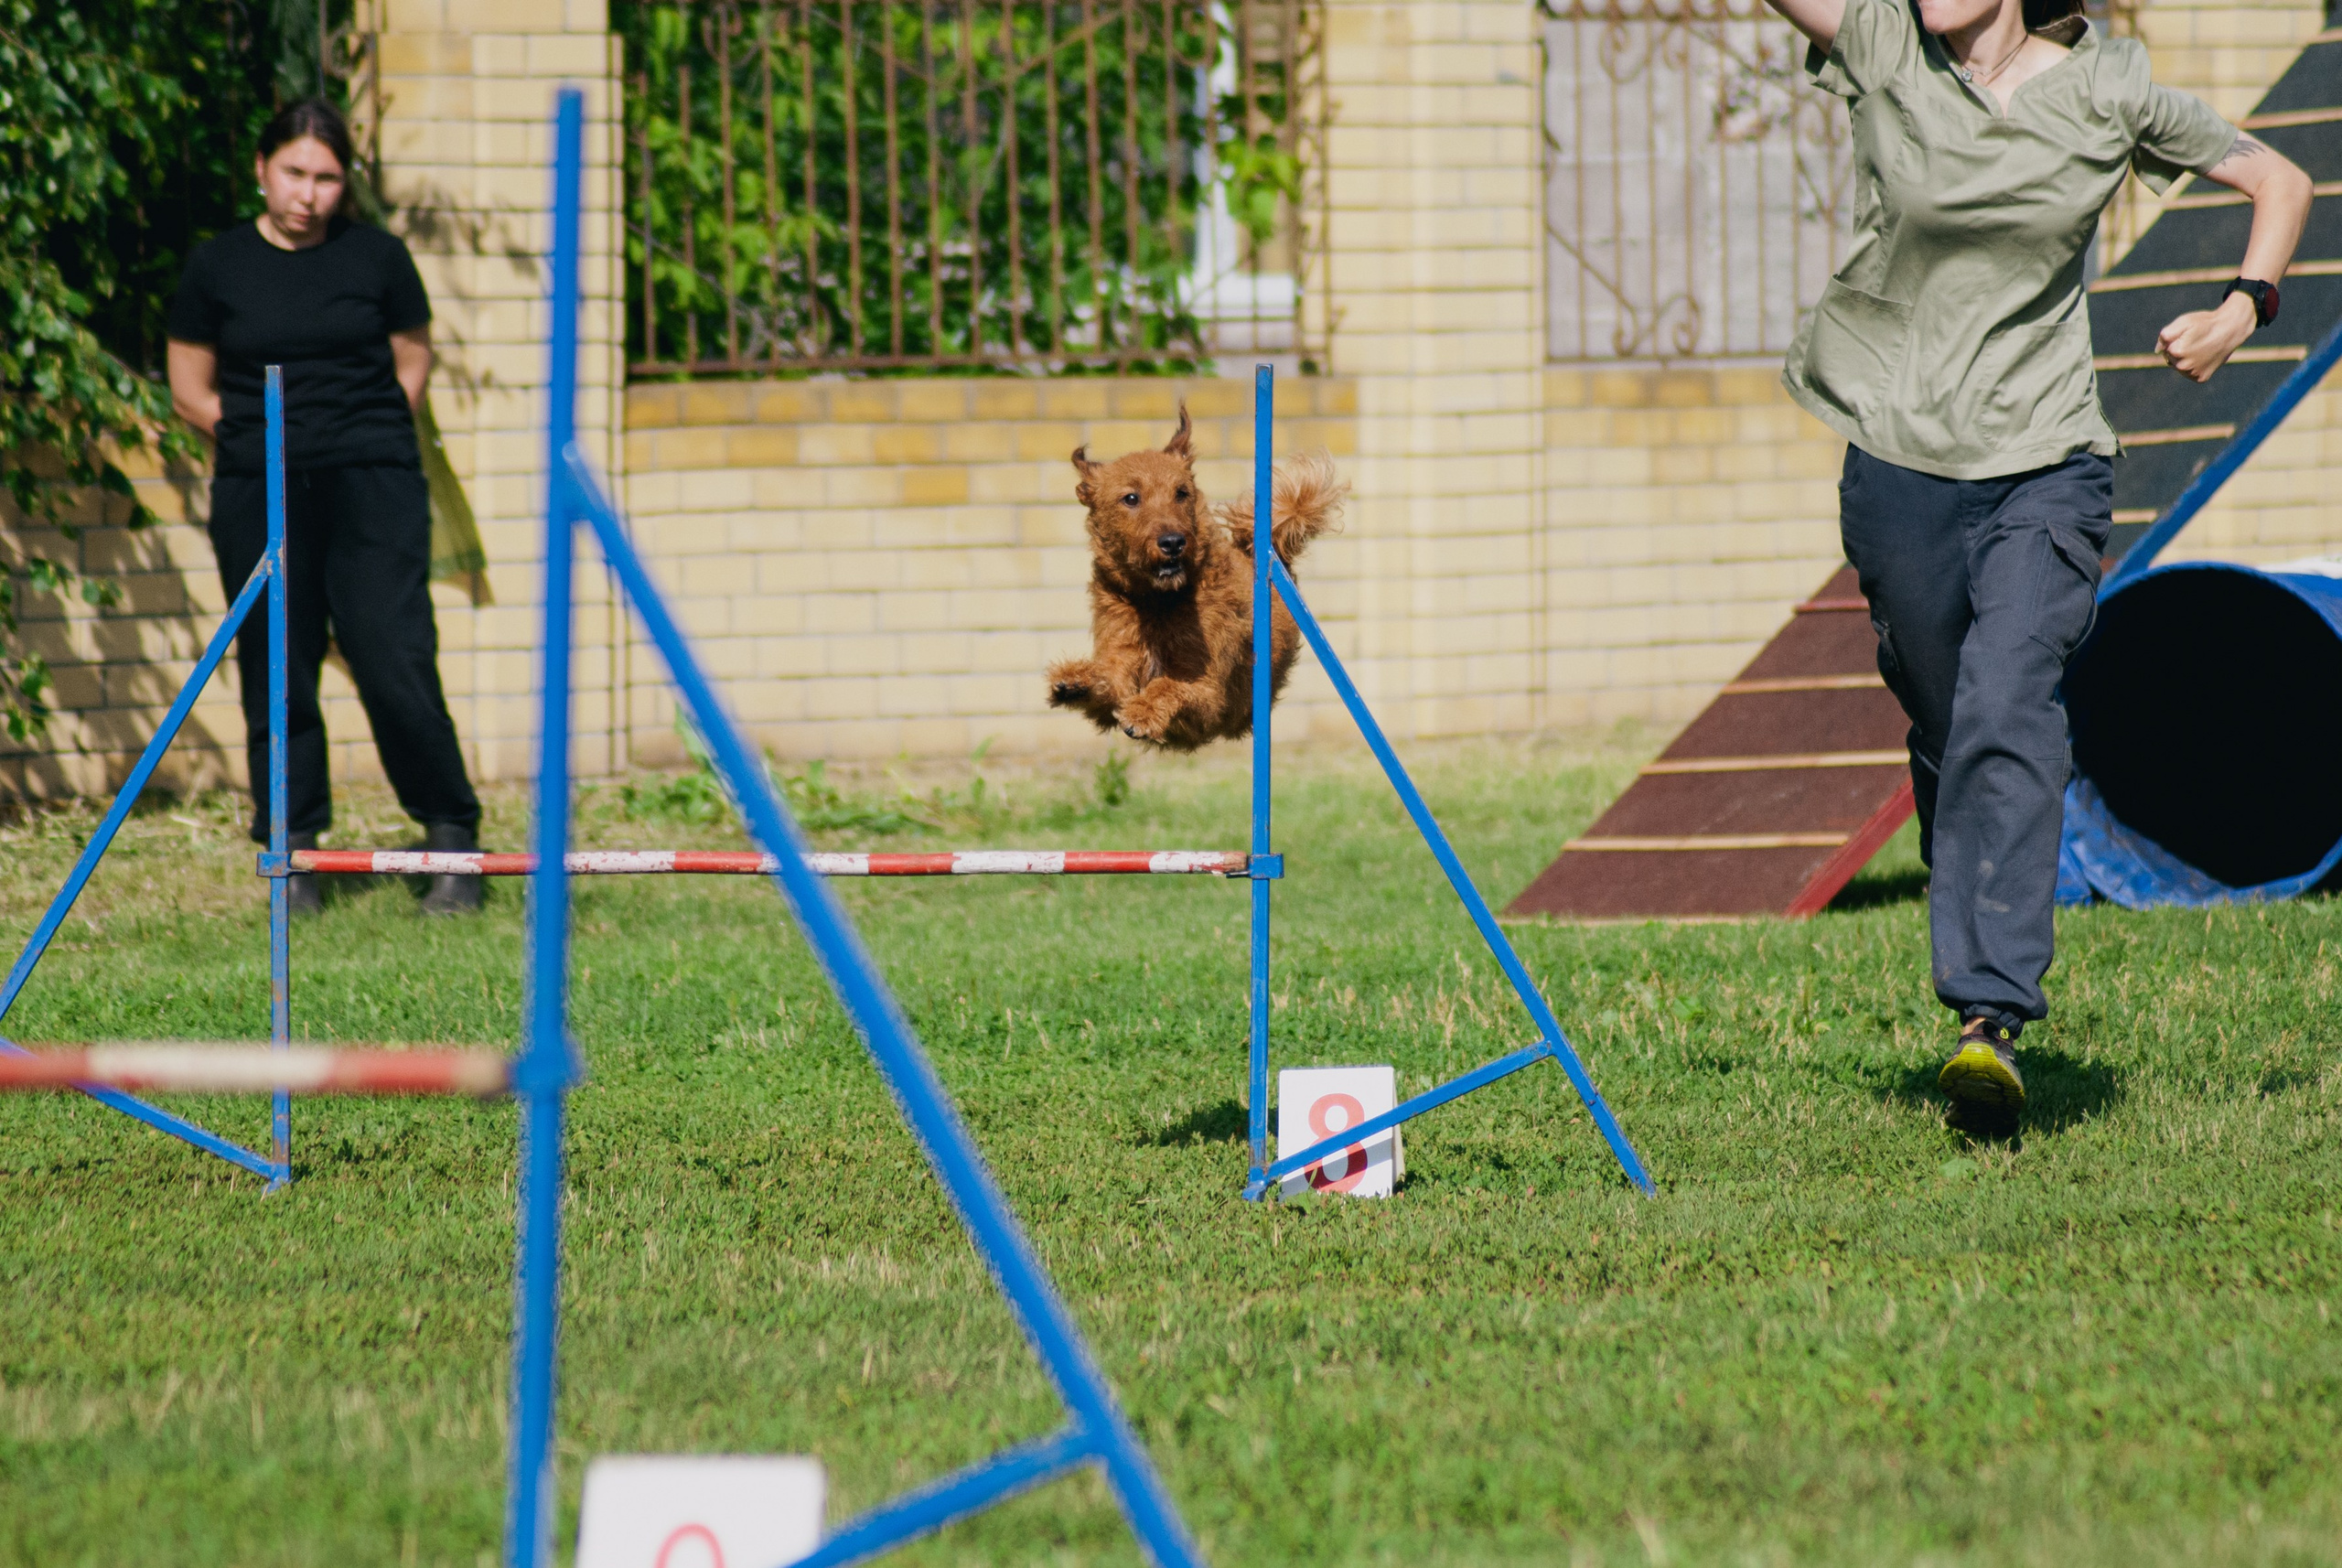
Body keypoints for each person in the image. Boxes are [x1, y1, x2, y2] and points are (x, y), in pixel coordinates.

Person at [1764, 0, 2311, 1120]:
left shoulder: (2108, 87)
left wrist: (2240, 306)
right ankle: (1976, 885)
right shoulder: (1880, 45)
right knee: (1945, 715)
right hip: (1899, 459)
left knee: (2009, 698)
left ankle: (1989, 1013)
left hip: (2047, 458)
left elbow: (2282, 182)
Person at [167, 99, 485, 918]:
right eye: (295, 173)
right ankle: (294, 852)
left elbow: (410, 365)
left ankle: (452, 839)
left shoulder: (377, 258)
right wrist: (263, 443)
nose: (308, 194)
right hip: (258, 488)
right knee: (278, 666)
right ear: (262, 169)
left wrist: (359, 437)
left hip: (372, 482)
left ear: (346, 184)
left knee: (393, 652)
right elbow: (189, 389)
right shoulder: (217, 265)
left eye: (327, 178)